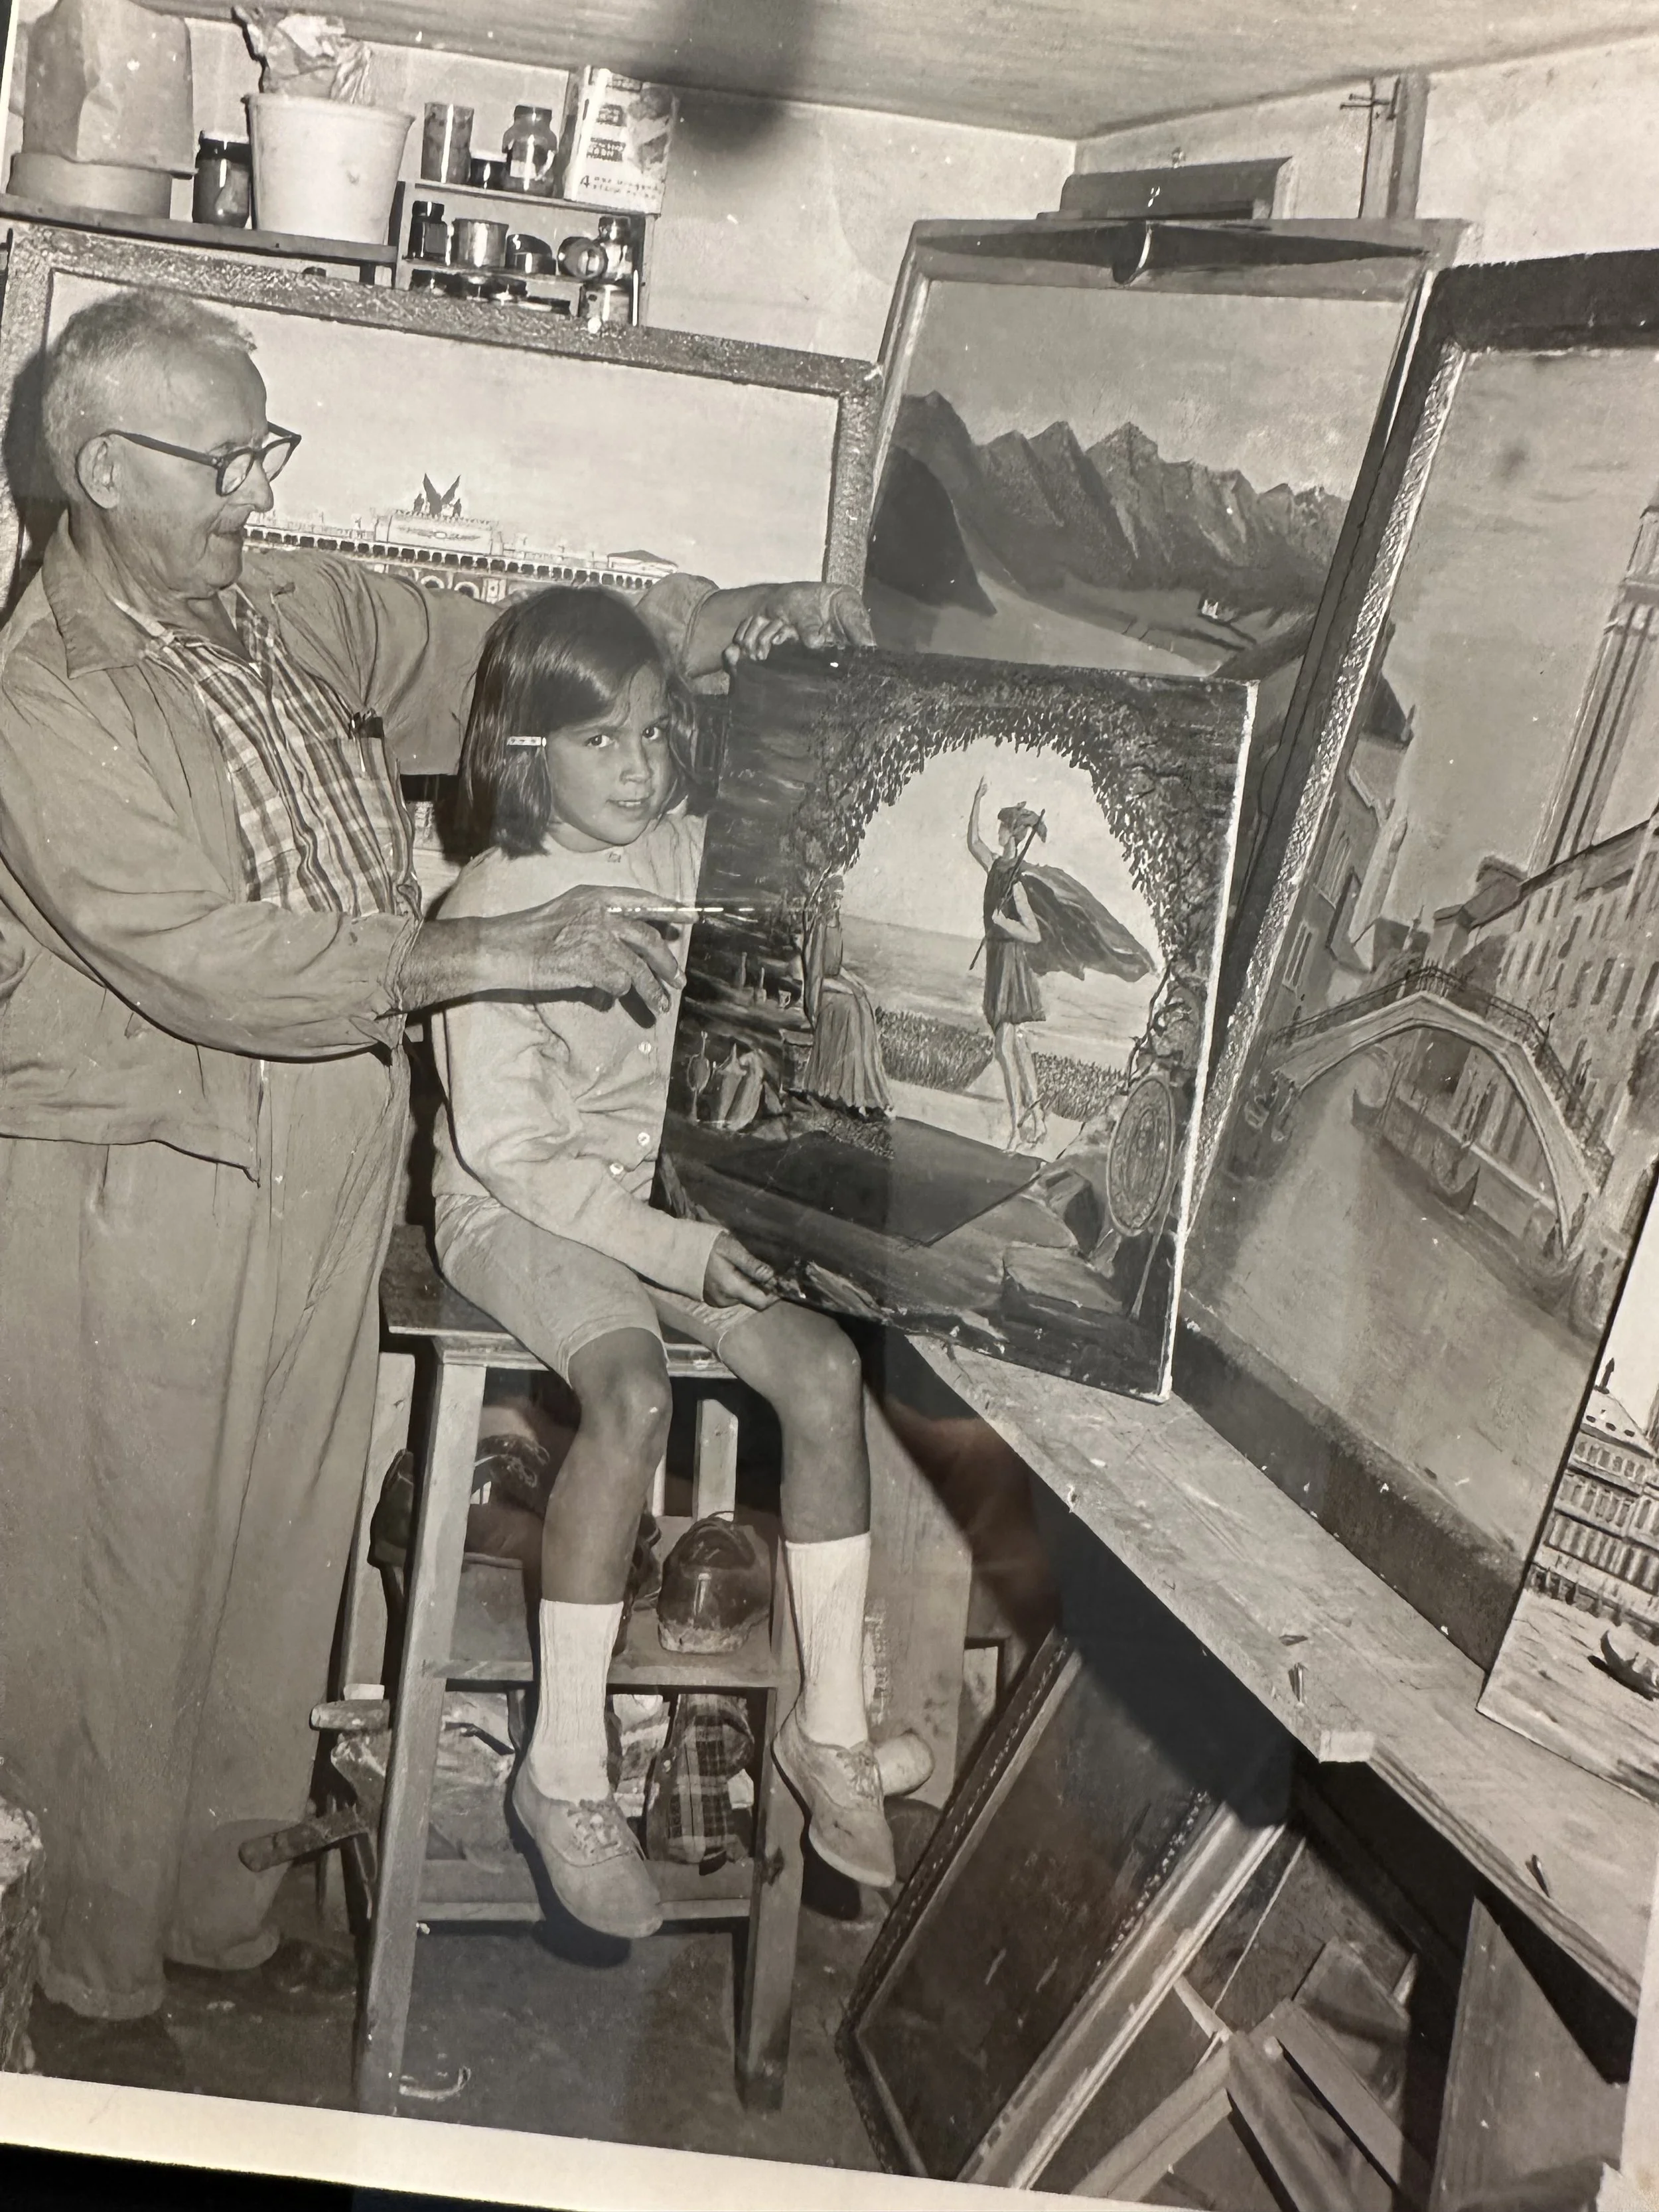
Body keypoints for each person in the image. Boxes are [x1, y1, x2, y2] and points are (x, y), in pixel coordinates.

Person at [0, 284, 871, 2026]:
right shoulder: (47, 692)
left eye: (268, 445)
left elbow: (486, 650)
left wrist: (710, 622)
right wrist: (482, 952)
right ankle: (97, 1985)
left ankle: (220, 1924)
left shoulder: (265, 602)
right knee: (126, 1572)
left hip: (330, 1124)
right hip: (145, 1154)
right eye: (229, 455)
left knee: (277, 1546)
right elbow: (198, 952)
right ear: (105, 466)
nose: (261, 482)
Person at [431, 587, 895, 1937]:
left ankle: (830, 1728)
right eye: (603, 743)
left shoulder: (684, 847)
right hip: (513, 1203)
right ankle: (564, 1770)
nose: (639, 767)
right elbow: (514, 1154)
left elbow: (782, 888)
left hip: (657, 1193)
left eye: (652, 734)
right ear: (525, 754)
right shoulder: (493, 905)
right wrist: (681, 1250)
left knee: (819, 1375)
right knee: (628, 1391)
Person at [968, 778, 1048, 1150]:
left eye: (1002, 826)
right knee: (1015, 1045)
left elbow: (1033, 934)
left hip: (1012, 965)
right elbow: (973, 843)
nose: (997, 831)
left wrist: (1003, 923)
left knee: (1004, 1047)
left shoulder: (1016, 882)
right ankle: (1038, 1120)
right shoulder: (996, 867)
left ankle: (1018, 1128)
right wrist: (976, 801)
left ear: (1012, 834)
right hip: (997, 962)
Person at [800, 871, 891, 1116]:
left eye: (841, 896)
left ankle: (864, 1091)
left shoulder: (837, 926)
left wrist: (859, 985)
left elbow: (837, 966)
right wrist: (844, 988)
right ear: (828, 896)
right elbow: (817, 974)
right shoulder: (820, 925)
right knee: (851, 1007)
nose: (838, 900)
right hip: (821, 992)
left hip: (833, 982)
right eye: (835, 895)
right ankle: (842, 1091)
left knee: (863, 1004)